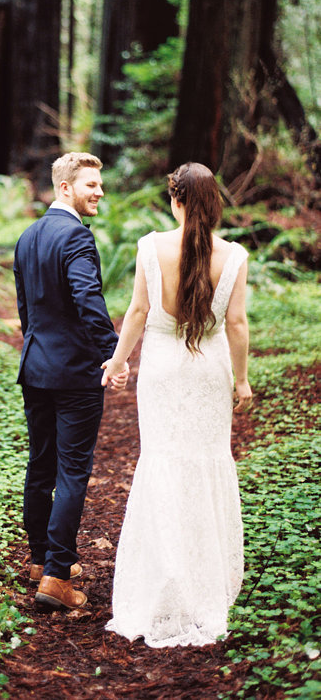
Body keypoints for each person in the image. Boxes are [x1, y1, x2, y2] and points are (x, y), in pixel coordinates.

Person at [101, 162, 254, 647]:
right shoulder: (233, 256)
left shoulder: (151, 246)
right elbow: (237, 325)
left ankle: (162, 583)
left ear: (176, 200)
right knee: (207, 466)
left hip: (163, 373)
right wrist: (243, 381)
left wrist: (117, 362)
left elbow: (139, 313)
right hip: (211, 374)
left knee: (163, 465)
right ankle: (204, 587)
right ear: (214, 204)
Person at [14, 152, 129, 610]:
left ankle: (40, 558)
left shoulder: (27, 237)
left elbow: (27, 311)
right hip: (76, 374)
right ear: (65, 188)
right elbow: (88, 298)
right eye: (90, 185)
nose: (99, 191)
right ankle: (57, 576)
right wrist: (112, 355)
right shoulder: (77, 238)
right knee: (72, 471)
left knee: (41, 465)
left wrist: (38, 349)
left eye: (100, 184)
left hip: (36, 367)